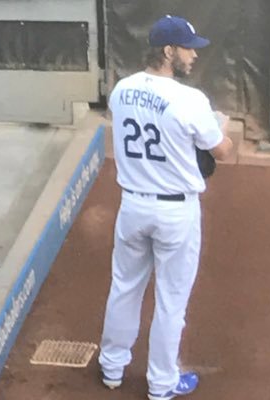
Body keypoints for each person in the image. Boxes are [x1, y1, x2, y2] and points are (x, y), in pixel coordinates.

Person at [98, 15, 233, 400]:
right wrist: (219, 129)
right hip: (175, 213)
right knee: (171, 300)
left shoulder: (121, 90)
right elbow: (221, 151)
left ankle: (112, 367)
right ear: (168, 51)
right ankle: (161, 384)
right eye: (188, 48)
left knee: (124, 287)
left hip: (133, 207)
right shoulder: (190, 99)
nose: (194, 55)